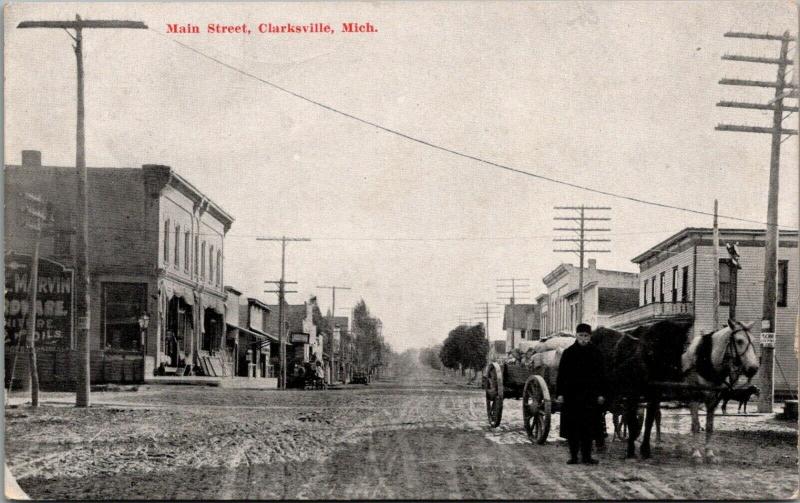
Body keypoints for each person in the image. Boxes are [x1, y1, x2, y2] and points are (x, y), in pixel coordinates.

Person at [556, 323, 606, 465]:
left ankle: (587, 456)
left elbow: (602, 375)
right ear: (576, 336)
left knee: (588, 428)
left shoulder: (596, 353)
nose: (583, 339)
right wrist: (560, 394)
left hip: (590, 397)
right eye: (581, 336)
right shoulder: (568, 353)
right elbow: (562, 375)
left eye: (586, 336)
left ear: (590, 337)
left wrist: (601, 394)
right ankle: (573, 456)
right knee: (573, 428)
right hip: (572, 396)